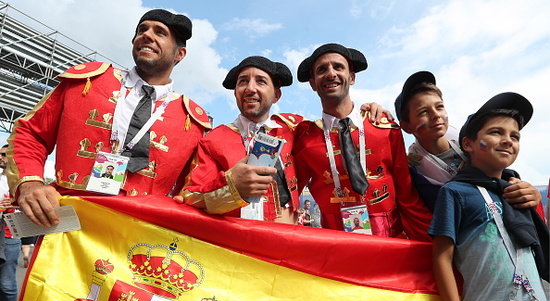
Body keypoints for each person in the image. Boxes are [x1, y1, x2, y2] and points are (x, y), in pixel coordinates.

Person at [5, 9, 211, 228]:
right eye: (142, 30)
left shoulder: (193, 120)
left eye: (160, 32)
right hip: (66, 226)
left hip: (139, 234)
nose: (147, 35)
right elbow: (30, 133)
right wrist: (29, 183)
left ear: (179, 54)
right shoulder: (86, 81)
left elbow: (192, 192)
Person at [430, 93, 549, 301]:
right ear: (469, 144)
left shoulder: (519, 193)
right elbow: (441, 260)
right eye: (496, 132)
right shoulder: (456, 192)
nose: (508, 140)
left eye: (515, 136)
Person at [292, 43, 432, 240]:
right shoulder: (303, 139)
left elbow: (406, 193)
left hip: (390, 243)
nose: (331, 73)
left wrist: (436, 244)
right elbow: (288, 196)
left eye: (338, 67)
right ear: (313, 83)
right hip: (336, 246)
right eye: (322, 70)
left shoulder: (383, 127)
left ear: (352, 77)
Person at [175, 56, 304, 223]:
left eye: (261, 81)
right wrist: (231, 184)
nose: (250, 88)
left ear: (276, 95)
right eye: (243, 82)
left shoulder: (293, 131)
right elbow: (189, 195)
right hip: (236, 239)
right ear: (235, 92)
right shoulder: (214, 140)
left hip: (289, 237)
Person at [395, 71, 543, 213]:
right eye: (423, 112)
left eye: (439, 106)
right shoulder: (414, 173)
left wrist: (531, 194)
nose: (435, 115)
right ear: (407, 126)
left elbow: (505, 180)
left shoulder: (473, 142)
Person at [0, 144, 21, 301]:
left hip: (9, 237)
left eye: (4, 155)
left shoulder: (23, 182)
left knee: (6, 284)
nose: (0, 157)